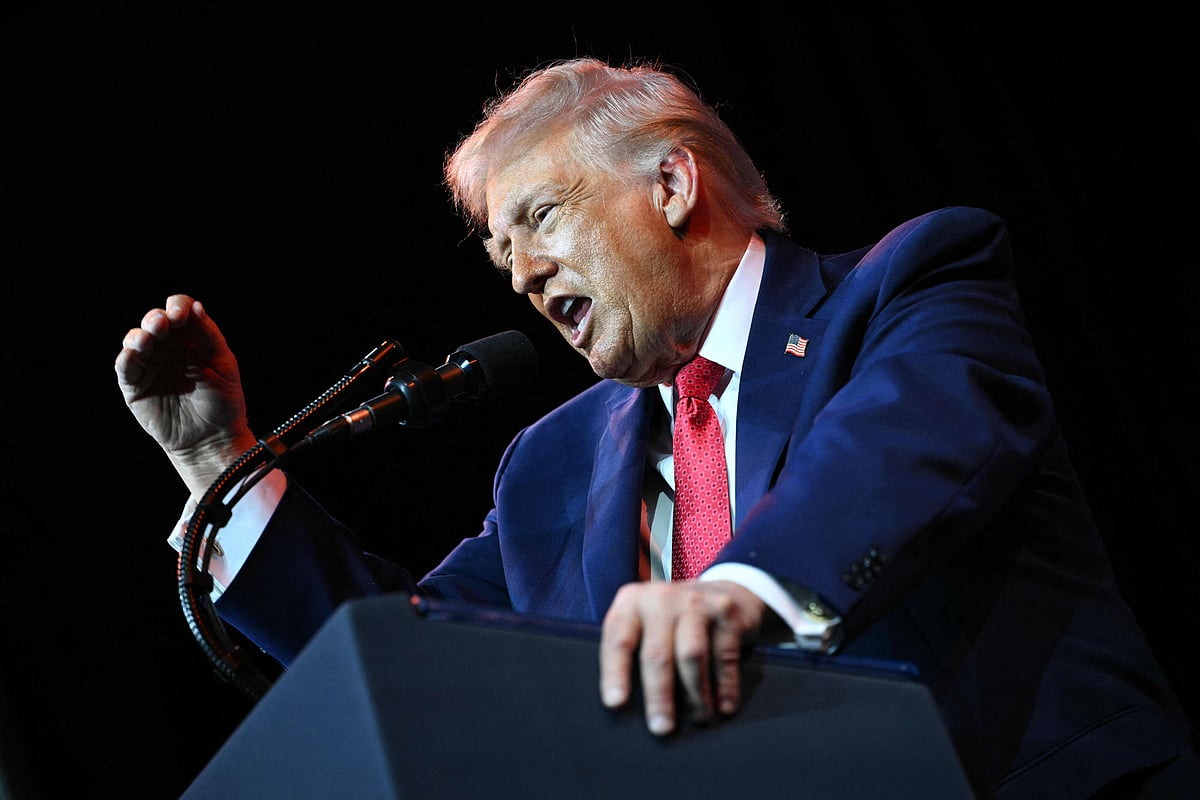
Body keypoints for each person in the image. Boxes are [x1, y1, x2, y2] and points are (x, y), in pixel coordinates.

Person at [115, 56, 1199, 797]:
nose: (521, 275)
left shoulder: (906, 288)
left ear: (673, 184)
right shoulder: (550, 466)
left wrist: (740, 590)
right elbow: (407, 657)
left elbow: (904, 448)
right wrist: (216, 460)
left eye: (540, 218)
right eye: (500, 253)